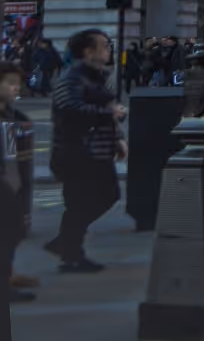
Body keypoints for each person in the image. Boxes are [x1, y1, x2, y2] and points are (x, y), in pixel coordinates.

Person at [47, 30, 125, 274]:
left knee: (108, 195)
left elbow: (105, 107)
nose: (108, 49)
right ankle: (70, 255)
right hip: (76, 152)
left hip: (96, 152)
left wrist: (119, 138)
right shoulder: (73, 76)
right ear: (88, 51)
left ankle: (65, 244)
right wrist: (108, 115)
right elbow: (70, 108)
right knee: (79, 203)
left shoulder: (97, 76)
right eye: (104, 45)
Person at [0, 59, 35, 323]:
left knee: (10, 238)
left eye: (18, 83)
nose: (16, 88)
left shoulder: (12, 117)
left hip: (10, 188)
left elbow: (12, 160)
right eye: (10, 83)